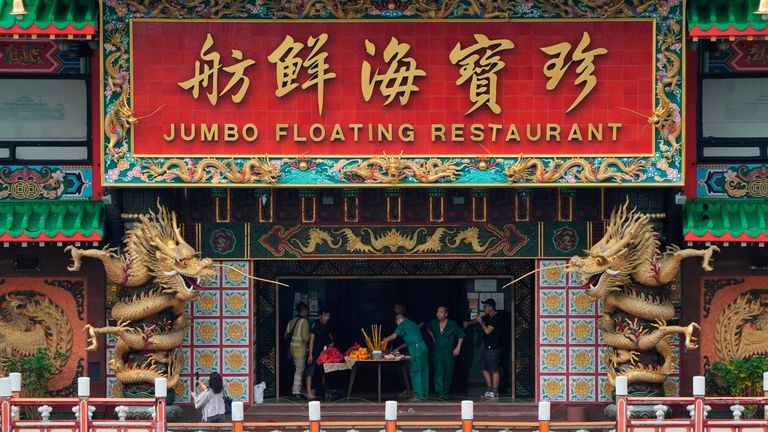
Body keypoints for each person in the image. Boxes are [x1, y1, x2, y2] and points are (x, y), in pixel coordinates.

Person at [382, 313, 429, 401]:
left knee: (415, 371)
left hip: (416, 349)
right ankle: (424, 394)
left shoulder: (403, 324)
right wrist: (398, 348)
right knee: (423, 370)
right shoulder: (413, 324)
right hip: (422, 347)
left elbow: (393, 336)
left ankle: (418, 395)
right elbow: (410, 341)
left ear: (398, 321)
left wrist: (384, 340)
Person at [425, 305, 465, 400]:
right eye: (437, 312)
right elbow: (427, 328)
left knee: (448, 372)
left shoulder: (452, 324)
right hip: (437, 352)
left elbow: (461, 335)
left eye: (441, 312)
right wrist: (432, 336)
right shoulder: (433, 323)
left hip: (448, 352)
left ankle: (445, 392)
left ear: (446, 314)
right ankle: (440, 393)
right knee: (438, 371)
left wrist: (458, 347)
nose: (438, 314)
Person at [474, 298, 503, 399]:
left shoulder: (496, 317)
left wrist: (481, 322)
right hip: (486, 347)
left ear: (491, 307)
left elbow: (487, 331)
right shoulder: (488, 316)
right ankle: (489, 390)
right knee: (483, 367)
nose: (484, 308)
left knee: (494, 369)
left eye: (485, 306)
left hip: (494, 347)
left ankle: (495, 392)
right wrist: (468, 323)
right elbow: (478, 319)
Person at [306, 309, 333, 400]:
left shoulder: (328, 326)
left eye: (328, 316)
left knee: (324, 373)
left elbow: (331, 341)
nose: (327, 318)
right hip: (314, 353)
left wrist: (328, 348)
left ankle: (326, 392)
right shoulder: (315, 325)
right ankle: (309, 393)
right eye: (325, 315)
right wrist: (310, 354)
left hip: (324, 354)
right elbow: (311, 340)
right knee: (310, 372)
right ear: (320, 315)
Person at [285, 302, 310, 400]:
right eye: (307, 310)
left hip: (292, 349)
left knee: (298, 369)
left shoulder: (292, 321)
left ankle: (299, 390)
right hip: (300, 350)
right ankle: (296, 392)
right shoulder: (304, 322)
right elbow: (305, 338)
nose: (308, 312)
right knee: (299, 370)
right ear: (303, 311)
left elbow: (285, 335)